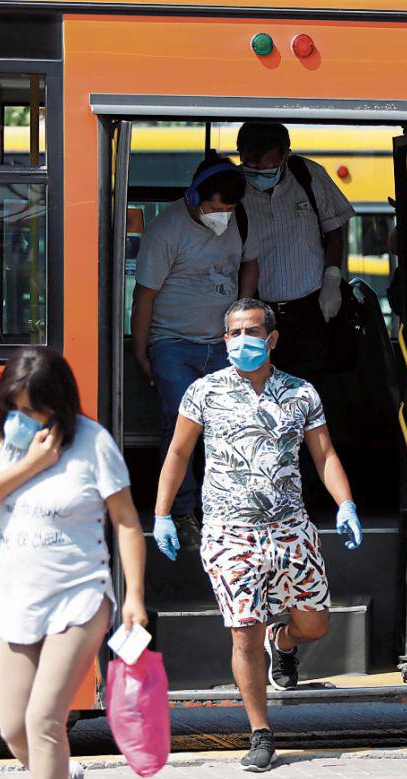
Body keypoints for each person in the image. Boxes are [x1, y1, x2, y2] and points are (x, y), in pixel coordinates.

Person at [152, 298, 363, 772]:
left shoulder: (301, 393)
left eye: (251, 331)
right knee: (243, 633)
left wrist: (345, 503)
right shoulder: (203, 392)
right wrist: (163, 512)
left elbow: (324, 454)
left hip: (291, 530)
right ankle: (261, 733)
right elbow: (179, 454)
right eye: (232, 333)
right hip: (231, 535)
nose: (240, 340)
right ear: (224, 339)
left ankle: (284, 643)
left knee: (315, 624)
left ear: (271, 339)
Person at [0, 346, 148, 779]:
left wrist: (134, 595)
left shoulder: (92, 442)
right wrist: (30, 465)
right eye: (14, 408)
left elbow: (125, 522)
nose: (23, 418)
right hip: (19, 601)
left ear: (58, 402)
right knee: (12, 728)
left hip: (80, 597)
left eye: (33, 409)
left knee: (44, 720)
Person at [131, 155, 258, 549]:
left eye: (229, 209)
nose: (223, 216)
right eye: (216, 208)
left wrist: (243, 316)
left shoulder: (240, 219)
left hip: (223, 344)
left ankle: (231, 510)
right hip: (173, 344)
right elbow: (144, 297)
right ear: (195, 195)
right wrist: (141, 352)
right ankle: (183, 512)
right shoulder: (166, 230)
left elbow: (249, 265)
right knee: (181, 428)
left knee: (235, 424)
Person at [236, 123, 356, 383]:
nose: (258, 173)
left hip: (311, 309)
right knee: (259, 387)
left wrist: (332, 281)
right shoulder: (234, 188)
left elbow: (334, 231)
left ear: (285, 156)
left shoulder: (308, 176)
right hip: (258, 310)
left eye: (266, 168)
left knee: (310, 390)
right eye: (250, 167)